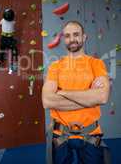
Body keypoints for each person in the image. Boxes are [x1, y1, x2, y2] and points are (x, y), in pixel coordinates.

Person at [42, 21, 110, 164]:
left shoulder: (96, 64)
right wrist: (89, 97)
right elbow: (47, 101)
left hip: (90, 134)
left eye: (76, 34)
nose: (72, 39)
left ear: (84, 37)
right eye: (67, 36)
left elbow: (102, 97)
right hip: (60, 135)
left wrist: (62, 92)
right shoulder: (55, 66)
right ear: (63, 40)